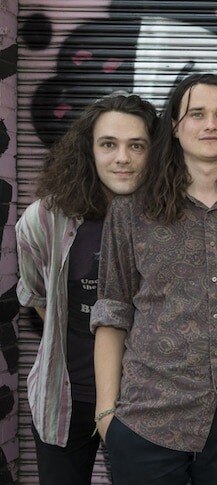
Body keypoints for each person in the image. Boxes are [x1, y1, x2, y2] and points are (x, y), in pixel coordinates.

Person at [91, 73, 217, 484]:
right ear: (176, 128)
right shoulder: (131, 213)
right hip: (148, 415)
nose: (210, 124)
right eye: (196, 114)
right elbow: (112, 311)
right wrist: (107, 412)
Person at [16, 93, 157, 485]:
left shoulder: (168, 222)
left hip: (144, 401)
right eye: (108, 144)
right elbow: (38, 297)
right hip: (65, 399)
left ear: (156, 153)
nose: (122, 158)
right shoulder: (45, 220)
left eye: (137, 146)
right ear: (89, 150)